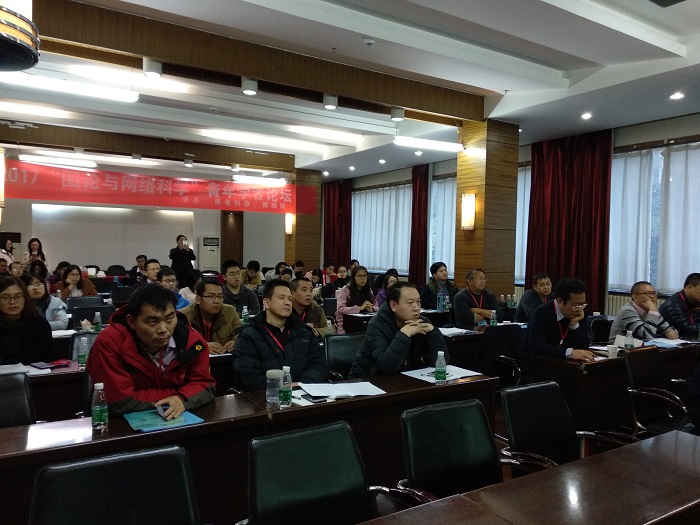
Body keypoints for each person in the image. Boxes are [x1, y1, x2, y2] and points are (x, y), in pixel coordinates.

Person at [86, 284, 216, 418]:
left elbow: (204, 384)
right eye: (153, 322)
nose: (163, 329)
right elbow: (118, 400)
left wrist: (182, 399)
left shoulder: (193, 342)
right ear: (132, 321)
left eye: (169, 318)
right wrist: (179, 394)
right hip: (120, 423)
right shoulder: (109, 343)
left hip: (177, 419)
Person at [233, 279, 329, 390]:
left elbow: (320, 365)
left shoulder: (303, 332)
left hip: (303, 392)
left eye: (290, 299)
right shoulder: (249, 336)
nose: (287, 303)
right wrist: (280, 386)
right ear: (266, 303)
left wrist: (302, 383)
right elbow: (246, 374)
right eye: (281, 298)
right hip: (266, 396)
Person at [348, 282, 448, 379]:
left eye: (418, 302)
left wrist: (433, 332)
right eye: (410, 303)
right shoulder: (376, 325)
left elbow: (439, 362)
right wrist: (404, 334)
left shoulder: (422, 323)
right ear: (393, 305)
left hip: (406, 380)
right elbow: (387, 367)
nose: (416, 308)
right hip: (369, 380)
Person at [526, 277, 595, 364]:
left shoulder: (580, 312)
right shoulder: (542, 312)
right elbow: (536, 347)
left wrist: (574, 325)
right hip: (537, 364)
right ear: (560, 301)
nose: (579, 309)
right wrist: (569, 353)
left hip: (565, 364)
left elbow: (584, 346)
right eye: (575, 305)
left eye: (582, 304)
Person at [179, 279, 242, 355]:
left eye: (220, 296)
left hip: (224, 359)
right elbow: (180, 345)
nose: (216, 301)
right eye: (211, 296)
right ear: (198, 299)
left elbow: (242, 333)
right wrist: (202, 347)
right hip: (195, 360)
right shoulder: (183, 315)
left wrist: (237, 342)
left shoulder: (230, 311)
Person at [0, 276, 52, 365]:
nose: (12, 302)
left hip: (32, 372)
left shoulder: (39, 324)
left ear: (25, 298)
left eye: (18, 296)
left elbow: (48, 358)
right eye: (5, 297)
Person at [609, 281, 678, 343]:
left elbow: (667, 328)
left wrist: (669, 332)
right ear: (635, 297)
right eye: (648, 293)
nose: (652, 296)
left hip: (641, 347)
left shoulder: (650, 310)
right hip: (619, 349)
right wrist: (653, 311)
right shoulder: (627, 310)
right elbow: (647, 336)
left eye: (654, 293)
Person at [335, 265, 378, 333]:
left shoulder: (368, 290)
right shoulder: (345, 290)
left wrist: (372, 308)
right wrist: (359, 308)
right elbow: (340, 309)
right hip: (347, 326)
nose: (362, 278)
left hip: (366, 324)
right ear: (353, 277)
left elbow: (376, 306)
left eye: (365, 276)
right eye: (359, 276)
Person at [659, 273, 700, 338]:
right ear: (689, 287)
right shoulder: (673, 304)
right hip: (669, 341)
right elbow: (685, 328)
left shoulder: (695, 301)